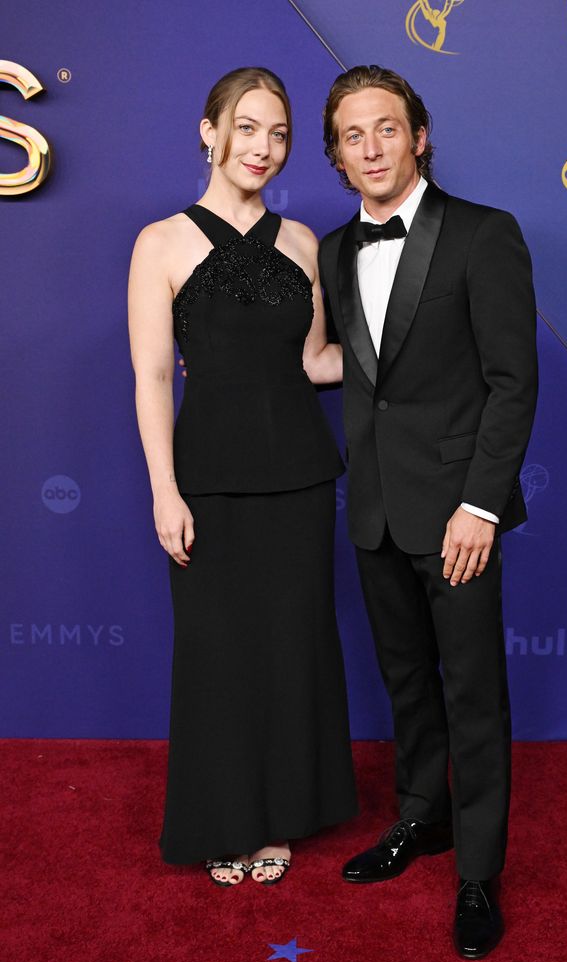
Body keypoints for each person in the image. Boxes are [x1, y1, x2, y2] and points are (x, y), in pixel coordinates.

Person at [318, 66, 538, 957]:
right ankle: (423, 821)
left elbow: (511, 384)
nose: (370, 148)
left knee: (473, 696)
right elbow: (345, 366)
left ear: (419, 136)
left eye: (385, 129)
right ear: (336, 153)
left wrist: (479, 507)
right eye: (351, 135)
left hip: (457, 518)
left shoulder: (485, 235)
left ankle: (478, 872)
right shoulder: (334, 250)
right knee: (406, 687)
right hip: (371, 509)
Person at [128, 67, 357, 888]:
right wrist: (164, 488)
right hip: (208, 482)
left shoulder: (304, 245)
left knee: (292, 648)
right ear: (208, 130)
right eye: (249, 128)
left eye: (279, 134)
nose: (263, 147)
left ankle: (280, 819)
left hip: (297, 478)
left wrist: (401, 351)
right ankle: (226, 819)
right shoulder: (161, 242)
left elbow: (312, 361)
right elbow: (153, 375)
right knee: (218, 655)